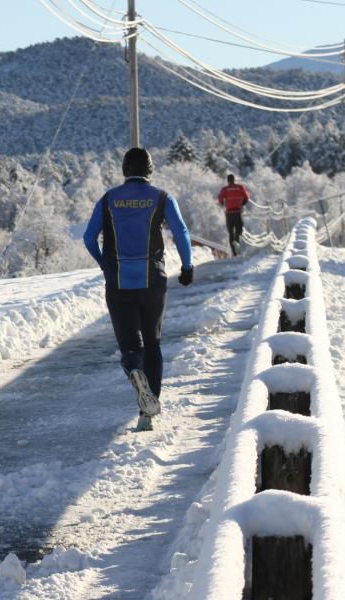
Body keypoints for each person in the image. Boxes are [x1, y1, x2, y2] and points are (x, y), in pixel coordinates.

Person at [83, 147, 194, 432]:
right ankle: (148, 410)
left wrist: (105, 265)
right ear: (150, 170)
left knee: (132, 346)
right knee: (153, 344)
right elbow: (180, 231)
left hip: (119, 282)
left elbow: (88, 237)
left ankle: (133, 368)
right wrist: (187, 266)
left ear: (124, 170)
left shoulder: (108, 199)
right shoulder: (161, 197)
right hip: (153, 281)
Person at [217, 173, 251, 256]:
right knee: (239, 230)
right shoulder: (240, 187)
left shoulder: (225, 189)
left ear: (228, 181)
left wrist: (222, 203)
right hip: (238, 212)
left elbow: (220, 199)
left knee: (230, 233)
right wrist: (242, 203)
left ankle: (234, 252)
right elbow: (247, 197)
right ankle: (236, 240)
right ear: (234, 180)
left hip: (229, 213)